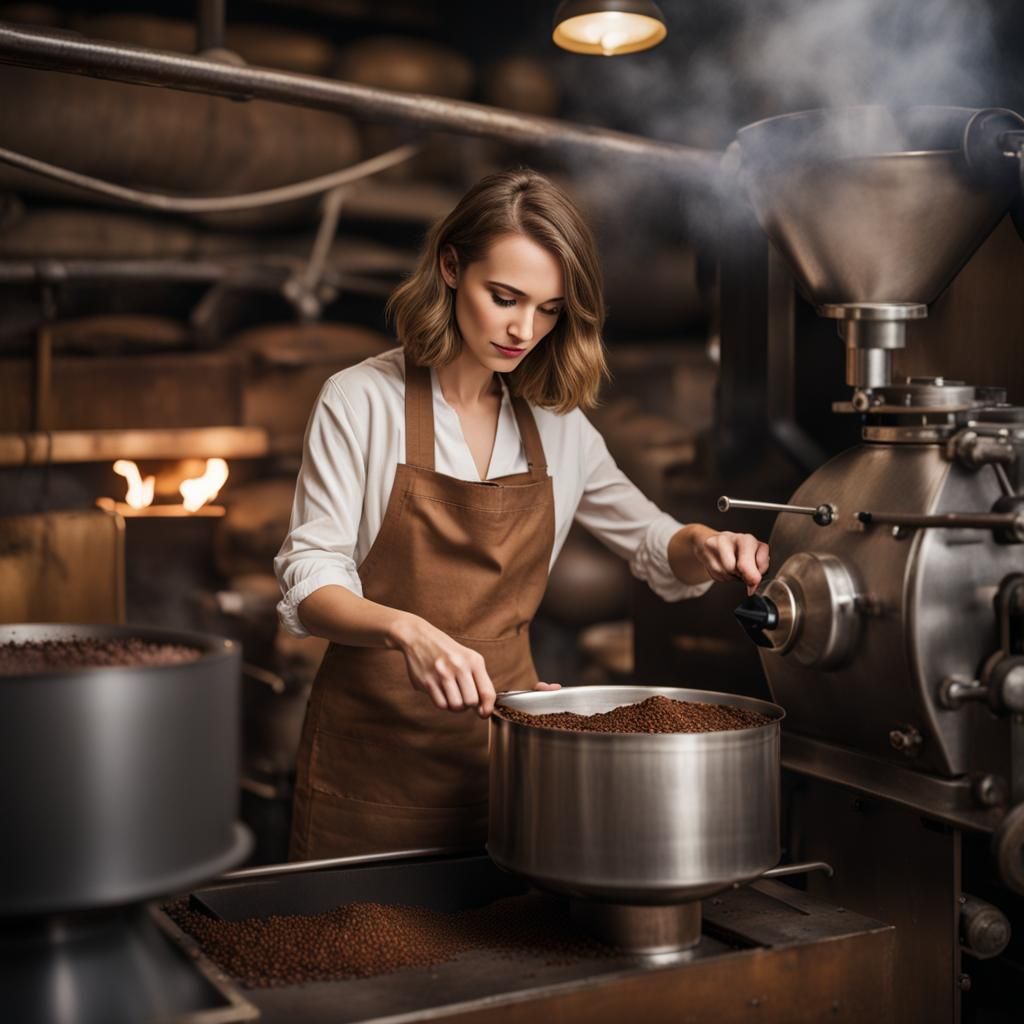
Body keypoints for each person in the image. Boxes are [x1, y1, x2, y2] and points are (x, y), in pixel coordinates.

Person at [275, 169, 770, 860]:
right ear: (451, 266)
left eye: (548, 309)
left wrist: (707, 543)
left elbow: (654, 541)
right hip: (371, 772)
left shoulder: (555, 427)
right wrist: (407, 631)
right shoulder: (360, 400)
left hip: (507, 763)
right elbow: (310, 580)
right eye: (504, 298)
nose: (522, 330)